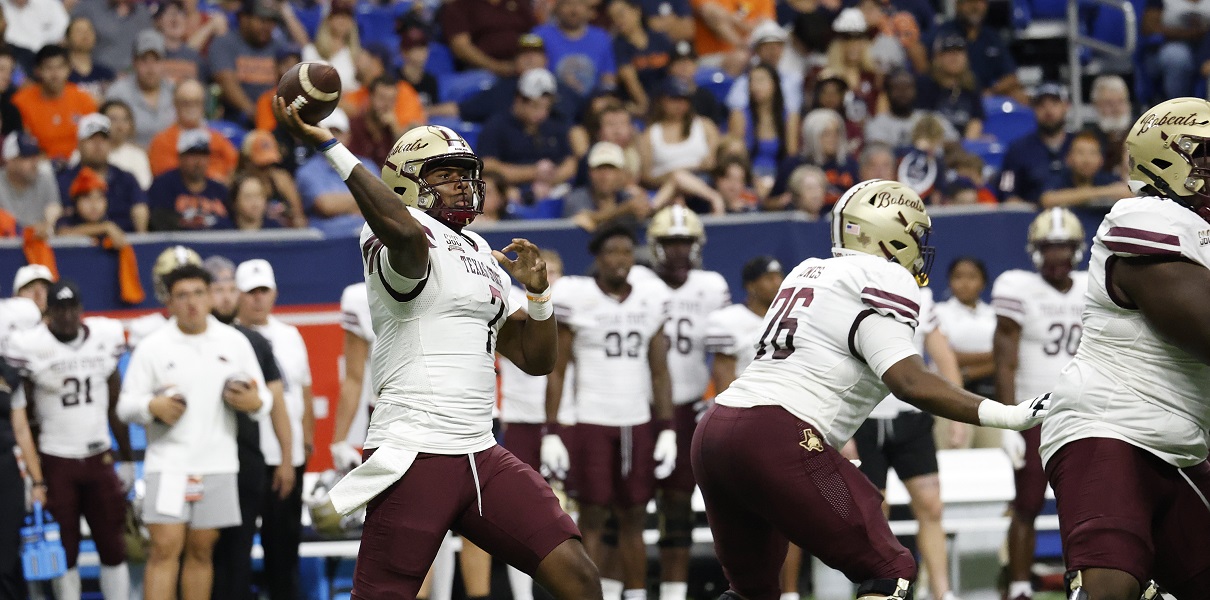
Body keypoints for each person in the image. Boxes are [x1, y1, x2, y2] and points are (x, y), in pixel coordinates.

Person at [272, 97, 602, 597]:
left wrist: (538, 295)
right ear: (405, 181)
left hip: (482, 450)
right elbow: (406, 234)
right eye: (445, 174)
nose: (461, 184)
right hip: (415, 449)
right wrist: (331, 147)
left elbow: (537, 360)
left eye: (464, 174)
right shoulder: (391, 230)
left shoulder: (480, 252)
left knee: (578, 576)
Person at [691, 178, 1051, 600]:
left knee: (751, 592)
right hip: (778, 434)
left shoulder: (807, 271)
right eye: (914, 235)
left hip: (717, 431)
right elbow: (909, 380)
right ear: (890, 235)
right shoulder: (880, 275)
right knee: (889, 569)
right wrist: (1006, 414)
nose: (919, 246)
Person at [1034, 96, 1210, 598]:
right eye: (1206, 156)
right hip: (1110, 426)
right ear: (1167, 159)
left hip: (1180, 442)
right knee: (1111, 588)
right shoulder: (1145, 217)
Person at [118, 262, 272, 600]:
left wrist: (253, 402)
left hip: (218, 465)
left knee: (202, 552)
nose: (192, 302)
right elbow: (125, 406)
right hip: (169, 465)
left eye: (199, 293)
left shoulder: (234, 342)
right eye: (182, 295)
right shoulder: (153, 347)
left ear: (210, 297)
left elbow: (265, 400)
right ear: (169, 303)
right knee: (163, 549)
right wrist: (150, 407)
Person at [543, 223, 673, 600]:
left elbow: (660, 371)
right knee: (593, 518)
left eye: (627, 252)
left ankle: (635, 595)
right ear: (597, 258)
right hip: (591, 419)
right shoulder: (577, 297)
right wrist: (552, 428)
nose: (620, 260)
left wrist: (665, 427)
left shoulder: (649, 298)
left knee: (635, 517)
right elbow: (559, 369)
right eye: (612, 252)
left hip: (636, 419)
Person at [4, 280, 133, 600]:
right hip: (56, 457)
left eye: (71, 308)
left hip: (98, 454)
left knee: (112, 543)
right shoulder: (30, 346)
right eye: (59, 309)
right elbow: (26, 415)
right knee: (65, 546)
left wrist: (127, 457)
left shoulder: (104, 339)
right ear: (48, 313)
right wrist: (36, 475)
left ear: (81, 310)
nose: (66, 316)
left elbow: (115, 404)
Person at [631, 206, 730, 600]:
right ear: (654, 247)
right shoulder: (638, 281)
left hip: (689, 404)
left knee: (678, 507)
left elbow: (724, 355)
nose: (678, 252)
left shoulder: (710, 286)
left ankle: (673, 595)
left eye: (684, 243)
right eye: (670, 243)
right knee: (629, 506)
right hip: (638, 404)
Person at [992, 207, 1088, 600]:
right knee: (1028, 502)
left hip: (1083, 412)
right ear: (1035, 250)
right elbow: (1004, 358)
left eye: (1064, 247)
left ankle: (1081, 580)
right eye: (1050, 247)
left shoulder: (1092, 285)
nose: (1058, 257)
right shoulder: (1017, 287)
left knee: (1086, 505)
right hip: (1035, 413)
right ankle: (1018, 586)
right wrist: (1007, 418)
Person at [852, 284, 965, 600]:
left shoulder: (921, 298)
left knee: (931, 505)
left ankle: (942, 592)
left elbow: (943, 357)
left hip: (911, 415)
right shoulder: (851, 288)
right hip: (864, 415)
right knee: (874, 511)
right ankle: (878, 587)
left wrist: (956, 417)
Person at [198, 253, 291, 600]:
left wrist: (285, 457)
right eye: (215, 288)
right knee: (199, 551)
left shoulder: (252, 342)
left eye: (228, 288)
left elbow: (275, 402)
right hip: (200, 461)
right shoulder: (180, 341)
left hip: (245, 462)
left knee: (237, 554)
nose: (223, 296)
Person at [234, 258, 314, 600]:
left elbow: (305, 391)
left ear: (274, 293)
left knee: (283, 548)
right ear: (238, 296)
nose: (257, 299)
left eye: (263, 291)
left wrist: (304, 443)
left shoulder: (290, 336)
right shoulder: (230, 338)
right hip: (246, 457)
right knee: (235, 550)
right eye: (250, 292)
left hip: (288, 456)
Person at [478, 68, 576, 198]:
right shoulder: (497, 125)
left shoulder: (553, 125)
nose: (542, 113)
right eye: (536, 106)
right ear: (519, 100)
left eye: (546, 107)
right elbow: (488, 166)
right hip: (513, 192)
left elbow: (570, 162)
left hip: (552, 189)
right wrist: (534, 172)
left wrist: (552, 179)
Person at [57, 113, 148, 232]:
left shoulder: (126, 178)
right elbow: (61, 229)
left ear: (110, 144)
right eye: (91, 139)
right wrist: (104, 229)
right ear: (79, 144)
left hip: (124, 242)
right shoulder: (65, 180)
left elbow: (140, 208)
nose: (98, 145)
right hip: (78, 246)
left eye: (103, 139)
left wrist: (142, 240)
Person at [294, 108, 376, 233]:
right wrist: (365, 199)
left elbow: (381, 204)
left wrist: (341, 204)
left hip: (366, 239)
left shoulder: (367, 166)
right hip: (327, 242)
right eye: (327, 132)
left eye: (337, 133)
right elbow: (326, 205)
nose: (331, 138)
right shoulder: (307, 170)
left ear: (348, 136)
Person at [11, 44, 98, 161]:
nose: (55, 74)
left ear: (69, 69)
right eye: (48, 68)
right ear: (38, 71)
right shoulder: (20, 102)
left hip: (77, 163)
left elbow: (94, 141)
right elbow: (18, 143)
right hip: (37, 164)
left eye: (60, 67)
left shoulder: (84, 99)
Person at [929, 0, 1024, 102]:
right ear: (958, 5)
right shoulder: (943, 33)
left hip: (988, 96)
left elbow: (1011, 77)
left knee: (1020, 96)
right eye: (970, 2)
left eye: (981, 2)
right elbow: (929, 70)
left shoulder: (992, 37)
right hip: (952, 94)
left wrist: (991, 92)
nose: (975, 7)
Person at [147, 79, 240, 183]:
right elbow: (168, 179)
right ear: (175, 104)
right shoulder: (162, 141)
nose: (191, 107)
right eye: (185, 102)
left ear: (203, 105)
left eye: (196, 102)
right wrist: (212, 181)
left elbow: (235, 165)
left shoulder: (217, 138)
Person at [933, 257, 996, 406]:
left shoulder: (995, 314)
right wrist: (993, 358)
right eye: (958, 277)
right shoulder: (938, 312)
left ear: (983, 282)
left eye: (972, 277)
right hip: (949, 392)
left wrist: (969, 374)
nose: (965, 283)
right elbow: (947, 356)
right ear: (949, 281)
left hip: (991, 395)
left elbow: (1009, 358)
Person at [997, 83, 1074, 205]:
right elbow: (1006, 189)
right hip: (1030, 217)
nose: (1048, 111)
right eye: (1041, 105)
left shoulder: (1080, 145)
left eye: (1054, 104)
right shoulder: (1017, 150)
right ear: (1033, 109)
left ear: (1066, 106)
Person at [208, 0, 281, 125]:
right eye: (262, 20)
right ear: (243, 18)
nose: (267, 26)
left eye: (271, 21)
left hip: (272, 118)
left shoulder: (278, 46)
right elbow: (226, 81)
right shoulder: (225, 43)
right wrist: (255, 114)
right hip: (235, 120)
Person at [104, 30, 176, 149]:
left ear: (164, 63)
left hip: (170, 159)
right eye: (144, 60)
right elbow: (107, 134)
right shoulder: (118, 93)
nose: (150, 68)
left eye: (156, 60)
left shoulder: (175, 91)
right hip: (129, 159)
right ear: (134, 63)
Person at [148, 129, 232, 230]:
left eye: (203, 155)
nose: (198, 161)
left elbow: (231, 225)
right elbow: (159, 222)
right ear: (180, 157)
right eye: (192, 155)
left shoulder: (219, 190)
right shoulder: (163, 185)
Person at [533, 0, 617, 99]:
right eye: (567, 4)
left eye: (580, 4)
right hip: (551, 103)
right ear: (557, 8)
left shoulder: (601, 37)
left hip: (592, 103)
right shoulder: (540, 35)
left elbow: (608, 77)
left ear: (588, 10)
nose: (574, 10)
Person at [0, 354, 32, 599]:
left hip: (6, 471)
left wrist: (38, 481)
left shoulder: (8, 373)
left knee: (7, 557)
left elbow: (21, 429)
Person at [562, 142, 650, 230]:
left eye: (611, 169)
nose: (604, 176)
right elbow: (584, 219)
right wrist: (624, 210)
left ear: (621, 173)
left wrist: (646, 208)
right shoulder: (576, 198)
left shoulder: (626, 197)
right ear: (589, 172)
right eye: (599, 168)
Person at [865, 69, 959, 149]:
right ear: (888, 93)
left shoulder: (931, 118)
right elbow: (880, 151)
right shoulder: (877, 123)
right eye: (897, 88)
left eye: (907, 87)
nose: (903, 92)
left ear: (915, 91)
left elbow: (954, 142)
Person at [439, 0, 537, 76]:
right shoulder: (460, 6)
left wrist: (528, 61)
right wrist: (498, 67)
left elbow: (538, 33)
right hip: (480, 70)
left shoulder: (518, 3)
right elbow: (461, 47)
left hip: (522, 66)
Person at [1039, 131, 1130, 210]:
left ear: (1101, 160)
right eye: (1080, 153)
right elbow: (1047, 200)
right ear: (1068, 158)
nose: (1087, 160)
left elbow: (1126, 192)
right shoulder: (1059, 178)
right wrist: (1100, 193)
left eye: (1093, 153)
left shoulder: (1107, 179)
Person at [0, 131, 62, 235]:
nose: (34, 163)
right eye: (27, 157)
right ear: (10, 161)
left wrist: (48, 225)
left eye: (35, 156)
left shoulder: (44, 178)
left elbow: (53, 214)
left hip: (39, 244)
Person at [70, 0, 153, 73]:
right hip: (97, 76)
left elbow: (150, 47)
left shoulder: (143, 13)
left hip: (134, 78)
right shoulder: (89, 8)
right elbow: (71, 37)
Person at [100, 99, 152, 190]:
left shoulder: (138, 155)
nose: (120, 126)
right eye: (113, 119)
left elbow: (144, 187)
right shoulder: (86, 152)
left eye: (125, 120)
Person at [64, 17, 114, 99]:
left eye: (89, 30)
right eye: (79, 31)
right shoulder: (62, 73)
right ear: (67, 38)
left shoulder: (106, 73)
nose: (85, 34)